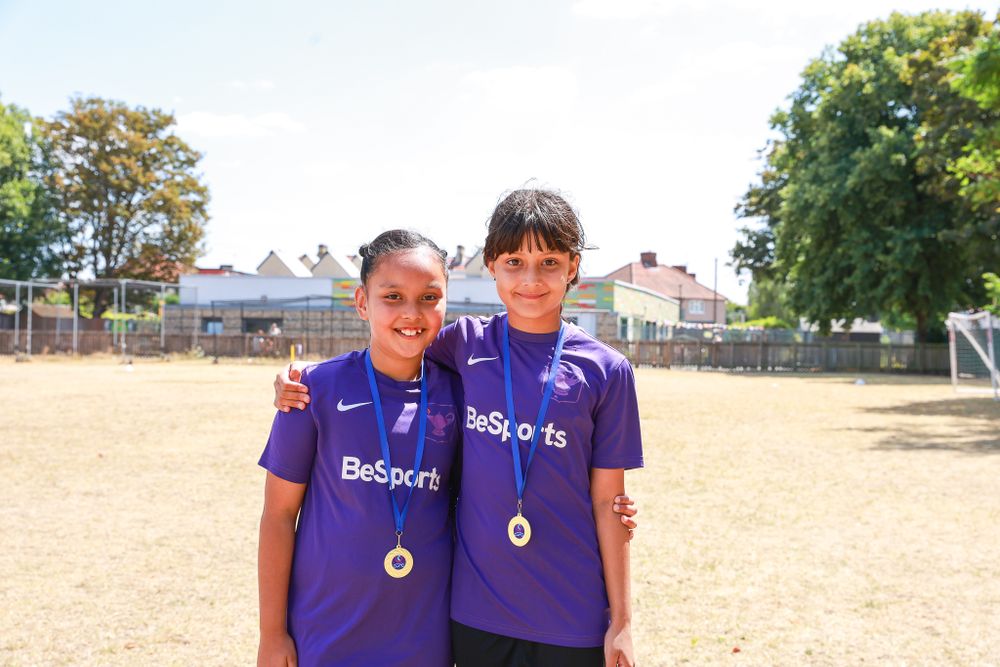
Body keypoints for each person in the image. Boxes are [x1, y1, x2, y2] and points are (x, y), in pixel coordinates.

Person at [274, 189, 643, 666]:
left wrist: (623, 621)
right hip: (474, 616)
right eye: (514, 260)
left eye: (549, 262)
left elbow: (607, 500)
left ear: (573, 266)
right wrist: (296, 380)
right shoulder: (466, 344)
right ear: (491, 264)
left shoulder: (607, 371)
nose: (531, 279)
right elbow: (399, 340)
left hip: (572, 617)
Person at [257, 230, 460, 666]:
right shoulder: (312, 390)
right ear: (362, 302)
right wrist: (272, 634)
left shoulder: (461, 394)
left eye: (429, 297)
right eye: (392, 296)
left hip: (423, 640)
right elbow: (277, 516)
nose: (412, 312)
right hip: (326, 635)